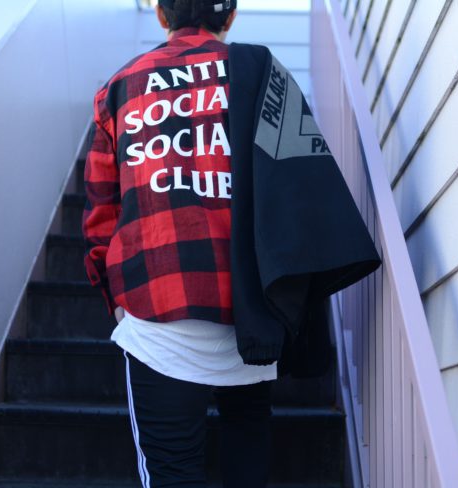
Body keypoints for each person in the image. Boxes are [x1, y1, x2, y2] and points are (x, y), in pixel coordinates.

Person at [81, 1, 278, 487]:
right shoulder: (259, 74)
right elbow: (293, 185)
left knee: (171, 473)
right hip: (252, 307)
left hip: (157, 307)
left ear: (161, 16)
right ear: (230, 17)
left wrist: (115, 300)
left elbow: (102, 210)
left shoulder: (120, 87)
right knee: (247, 465)